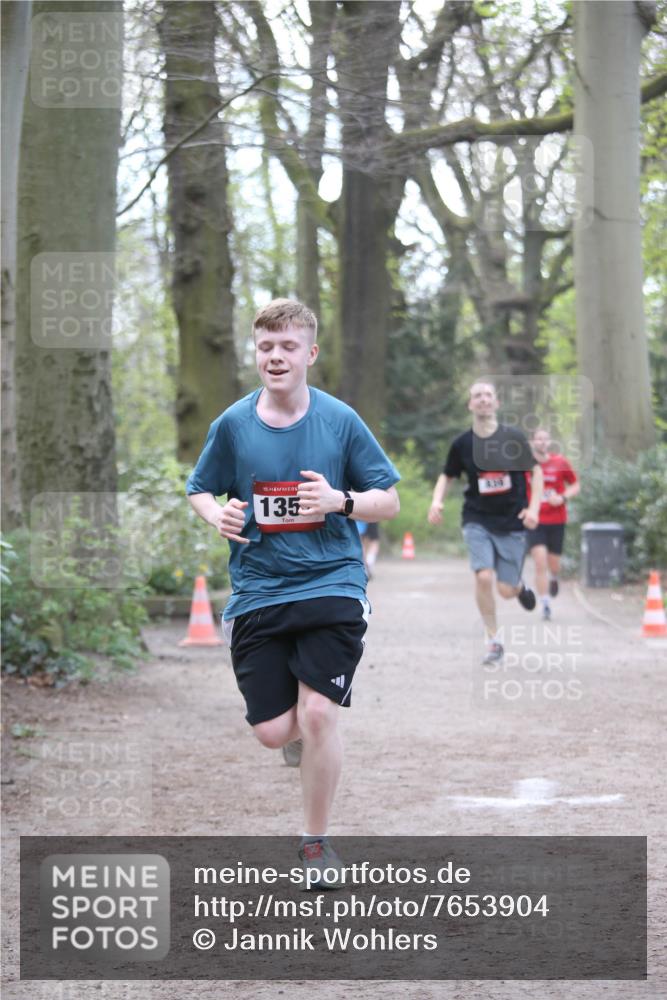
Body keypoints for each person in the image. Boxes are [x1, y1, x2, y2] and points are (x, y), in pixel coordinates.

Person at [186, 299, 400, 887]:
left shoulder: (339, 421)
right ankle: (297, 738)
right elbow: (200, 489)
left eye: (287, 346)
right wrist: (218, 517)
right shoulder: (232, 425)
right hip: (258, 590)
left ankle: (314, 845)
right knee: (274, 731)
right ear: (255, 353)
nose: (275, 357)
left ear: (310, 353)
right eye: (265, 347)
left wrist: (341, 501)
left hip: (332, 582)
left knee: (318, 712)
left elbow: (389, 499)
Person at [427, 381, 543, 664]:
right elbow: (447, 475)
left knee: (505, 590)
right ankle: (494, 640)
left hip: (513, 520)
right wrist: (436, 501)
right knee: (483, 576)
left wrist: (534, 508)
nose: (483, 399)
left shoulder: (513, 438)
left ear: (496, 403)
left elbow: (536, 472)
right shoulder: (462, 443)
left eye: (488, 395)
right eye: (477, 396)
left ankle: (519, 588)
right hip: (477, 518)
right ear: (470, 405)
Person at [526, 427, 580, 620]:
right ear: (531, 442)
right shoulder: (525, 465)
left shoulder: (559, 462)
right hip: (535, 521)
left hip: (557, 520)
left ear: (549, 442)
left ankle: (554, 578)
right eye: (538, 439)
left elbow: (575, 484)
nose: (542, 442)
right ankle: (545, 603)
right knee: (540, 562)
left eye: (545, 439)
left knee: (553, 564)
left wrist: (563, 497)